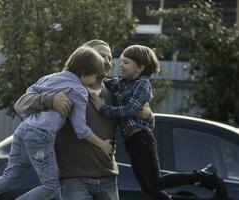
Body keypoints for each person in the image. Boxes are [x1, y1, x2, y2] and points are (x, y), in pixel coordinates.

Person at [14, 39, 154, 200]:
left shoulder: (115, 92)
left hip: (108, 177)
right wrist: (50, 100)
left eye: (109, 58)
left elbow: (143, 124)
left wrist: (148, 115)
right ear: (87, 58)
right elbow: (20, 104)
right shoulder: (64, 86)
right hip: (74, 180)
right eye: (102, 57)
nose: (108, 62)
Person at [0, 46, 113, 200]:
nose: (94, 81)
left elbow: (24, 105)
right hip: (41, 137)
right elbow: (81, 130)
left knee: (10, 176)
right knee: (51, 186)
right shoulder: (79, 90)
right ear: (84, 72)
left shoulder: (49, 77)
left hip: (22, 131)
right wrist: (102, 144)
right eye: (95, 76)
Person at [90, 44, 227, 200]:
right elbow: (105, 82)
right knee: (148, 189)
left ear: (140, 67)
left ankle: (204, 176)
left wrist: (103, 109)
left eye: (126, 62)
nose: (121, 65)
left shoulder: (143, 85)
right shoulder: (122, 82)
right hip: (131, 142)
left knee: (155, 183)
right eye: (121, 62)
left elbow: (130, 109)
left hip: (142, 139)